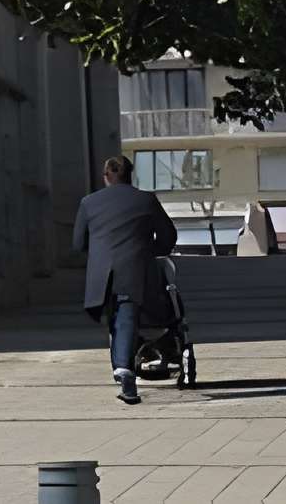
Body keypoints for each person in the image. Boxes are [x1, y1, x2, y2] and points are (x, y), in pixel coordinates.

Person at [73, 154, 179, 403]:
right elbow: (168, 236)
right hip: (133, 269)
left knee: (117, 319)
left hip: (101, 275)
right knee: (126, 317)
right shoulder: (146, 200)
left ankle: (122, 368)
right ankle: (124, 371)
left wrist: (100, 254)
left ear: (106, 177)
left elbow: (78, 243)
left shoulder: (88, 203)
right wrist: (152, 251)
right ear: (131, 175)